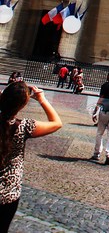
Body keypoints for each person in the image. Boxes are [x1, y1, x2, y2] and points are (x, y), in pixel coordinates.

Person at [0, 82, 62, 231]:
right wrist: (41, 99)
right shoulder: (24, 126)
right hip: (8, 193)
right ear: (23, 105)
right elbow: (57, 123)